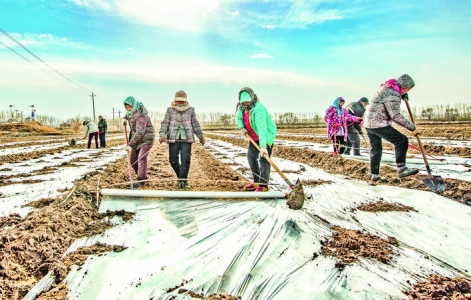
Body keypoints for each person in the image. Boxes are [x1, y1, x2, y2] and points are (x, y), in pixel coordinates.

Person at [364, 74, 419, 184]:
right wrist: (412, 128)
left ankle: (375, 176)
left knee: (376, 150)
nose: (407, 91)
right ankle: (402, 169)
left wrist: (403, 95)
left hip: (369, 124)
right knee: (401, 140)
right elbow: (395, 116)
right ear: (404, 85)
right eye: (407, 89)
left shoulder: (388, 88)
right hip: (378, 124)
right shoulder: (393, 94)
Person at [159, 90, 205, 190]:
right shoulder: (170, 110)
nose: (180, 103)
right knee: (173, 160)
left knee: (185, 160)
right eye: (178, 101)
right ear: (175, 100)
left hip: (186, 139)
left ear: (185, 101)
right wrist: (162, 134)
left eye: (182, 101)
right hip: (173, 139)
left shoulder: (191, 110)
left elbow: (195, 124)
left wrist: (200, 136)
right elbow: (165, 123)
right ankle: (181, 179)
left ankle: (183, 182)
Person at [237, 87, 277, 192]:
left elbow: (262, 128)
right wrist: (242, 128)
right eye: (243, 101)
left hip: (265, 136)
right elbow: (239, 118)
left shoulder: (259, 109)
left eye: (247, 101)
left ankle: (263, 185)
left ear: (252, 97)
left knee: (264, 159)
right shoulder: (242, 109)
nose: (246, 103)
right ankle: (256, 181)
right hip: (253, 137)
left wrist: (263, 147)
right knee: (251, 157)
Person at [123, 96, 155, 188]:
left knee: (141, 158)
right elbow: (128, 115)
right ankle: (142, 176)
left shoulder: (141, 115)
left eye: (130, 107)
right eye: (126, 107)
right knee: (132, 160)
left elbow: (140, 132)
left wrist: (130, 144)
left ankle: (141, 180)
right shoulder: (130, 113)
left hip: (146, 139)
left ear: (134, 105)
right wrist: (124, 118)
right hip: (137, 140)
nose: (128, 109)